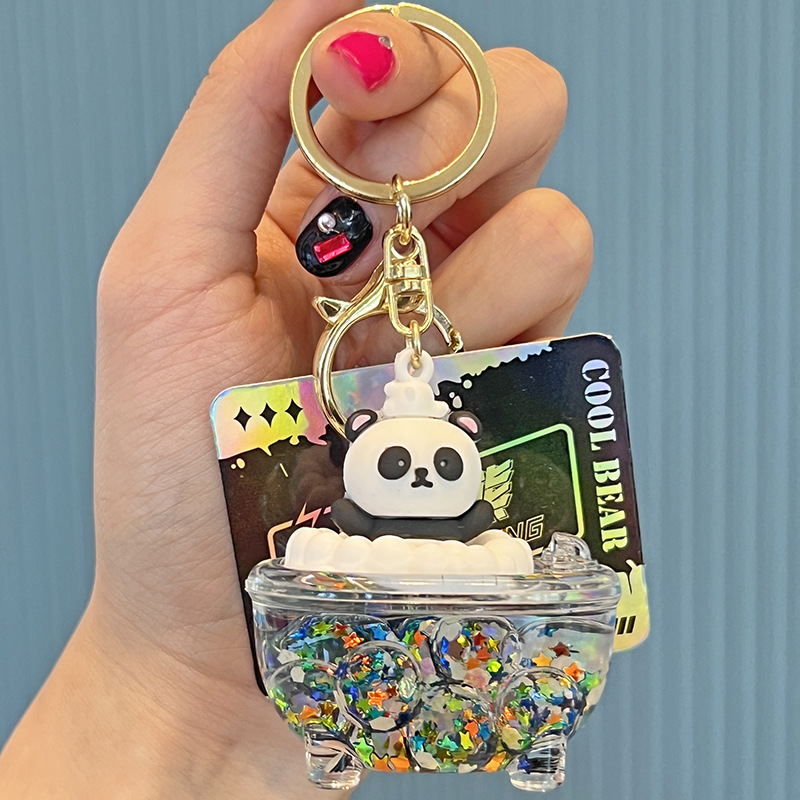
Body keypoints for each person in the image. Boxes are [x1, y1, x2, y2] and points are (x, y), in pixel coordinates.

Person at [0, 0, 591, 795]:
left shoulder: (480, 534)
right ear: (360, 429)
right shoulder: (336, 535)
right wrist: (170, 670)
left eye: (438, 463)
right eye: (400, 462)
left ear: (468, 433)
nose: (421, 477)